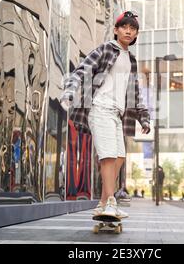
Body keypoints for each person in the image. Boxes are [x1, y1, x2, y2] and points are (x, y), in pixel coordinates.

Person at [60, 11, 150, 219]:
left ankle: (102, 203)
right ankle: (110, 202)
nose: (128, 31)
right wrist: (70, 91)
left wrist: (143, 117)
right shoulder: (105, 49)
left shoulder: (132, 60)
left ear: (136, 34)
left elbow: (134, 92)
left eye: (133, 28)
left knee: (119, 157)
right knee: (108, 156)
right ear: (116, 30)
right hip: (100, 108)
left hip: (117, 114)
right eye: (124, 27)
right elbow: (82, 70)